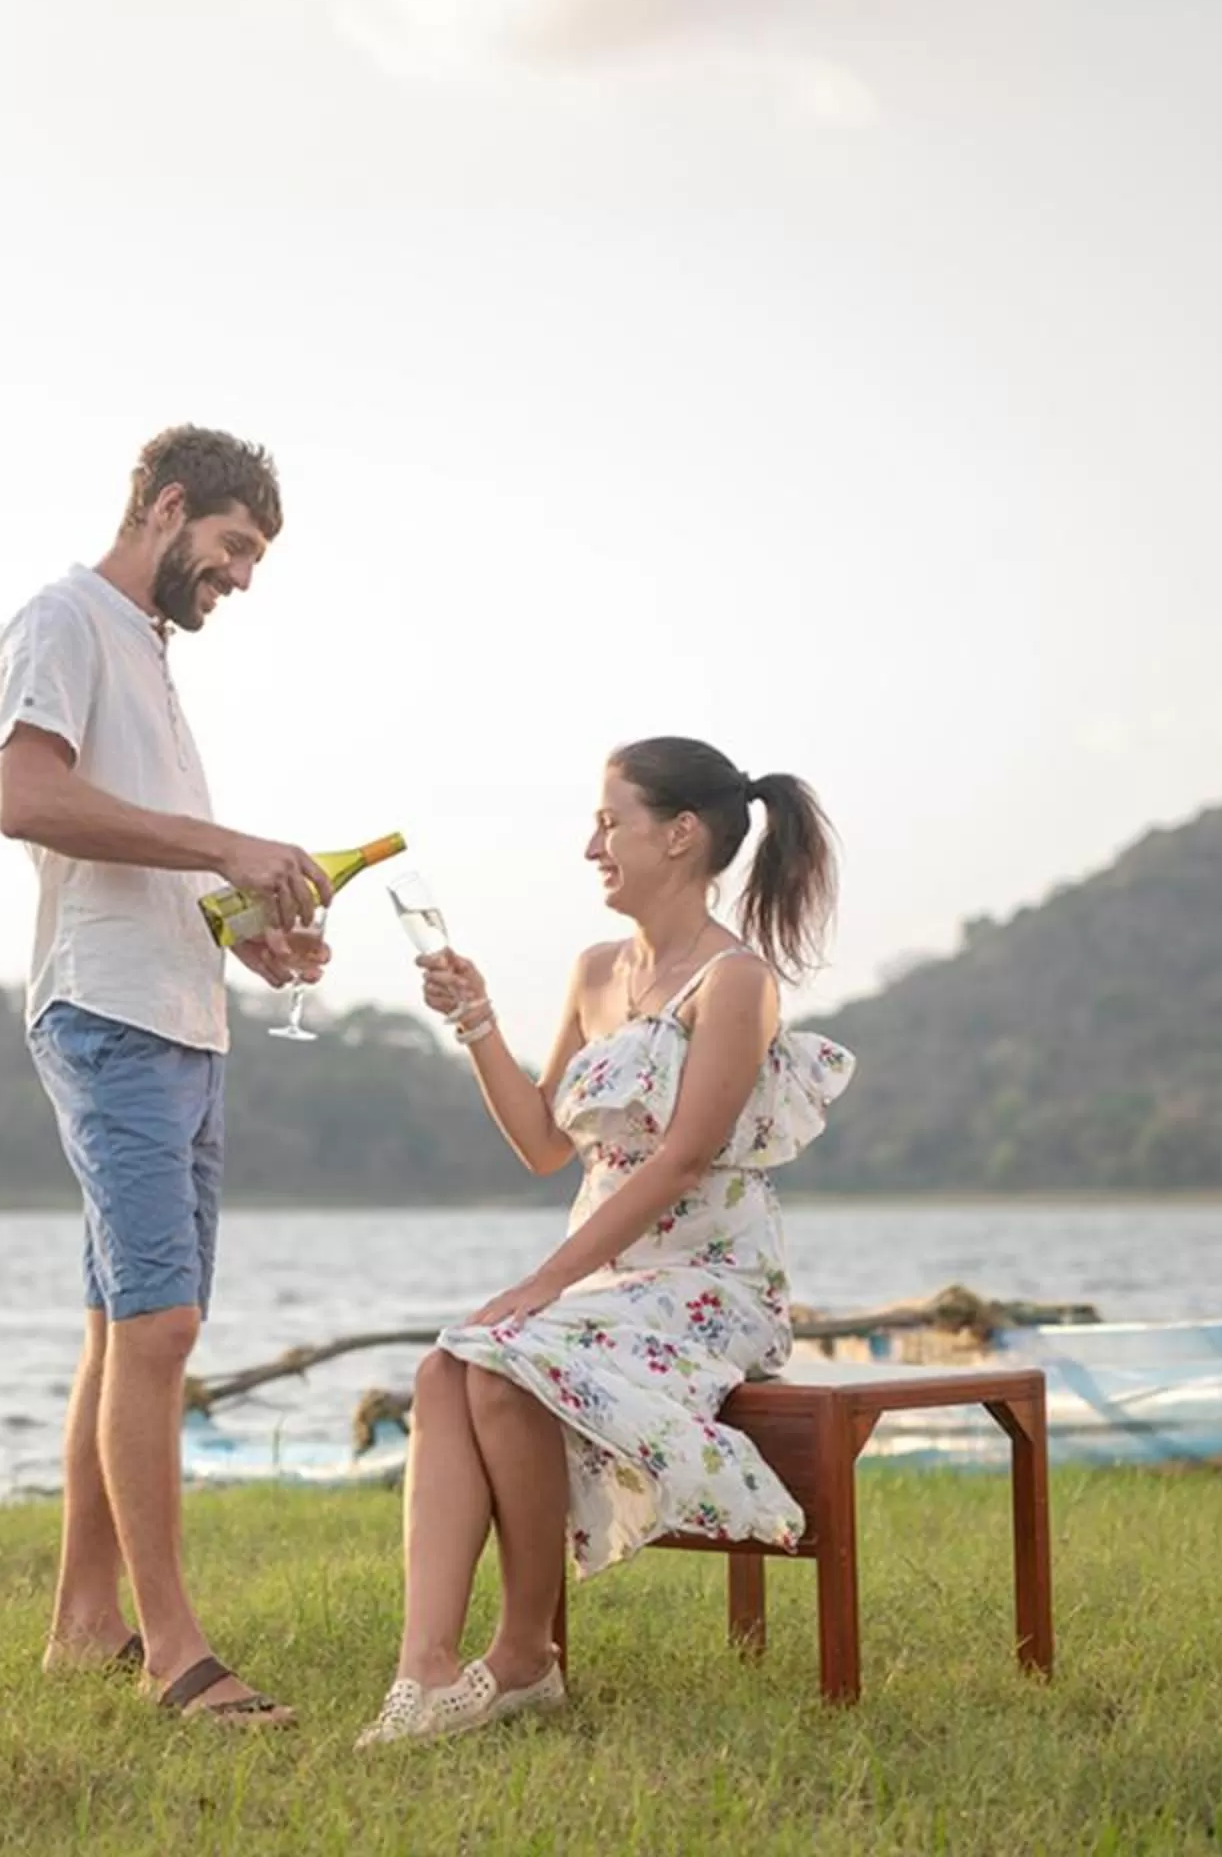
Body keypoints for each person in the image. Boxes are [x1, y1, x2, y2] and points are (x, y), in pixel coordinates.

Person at [354, 736, 855, 1748]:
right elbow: (546, 1144)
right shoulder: (594, 972)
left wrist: (535, 1287)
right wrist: (478, 1020)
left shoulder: (737, 982)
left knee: (497, 1367)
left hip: (707, 1280)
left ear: (678, 834)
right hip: (607, 1277)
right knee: (446, 1368)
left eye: (608, 819)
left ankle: (525, 1653)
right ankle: (423, 1670)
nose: (592, 843)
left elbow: (678, 1162)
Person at [0, 424, 331, 1729]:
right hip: (111, 1020)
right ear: (171, 506)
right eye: (235, 547)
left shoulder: (148, 658)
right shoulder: (64, 619)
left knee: (122, 1324)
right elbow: (29, 799)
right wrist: (223, 841)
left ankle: (84, 1625)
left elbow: (157, 873)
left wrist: (254, 933)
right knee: (161, 1328)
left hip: (180, 1018)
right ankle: (178, 1657)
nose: (240, 576)